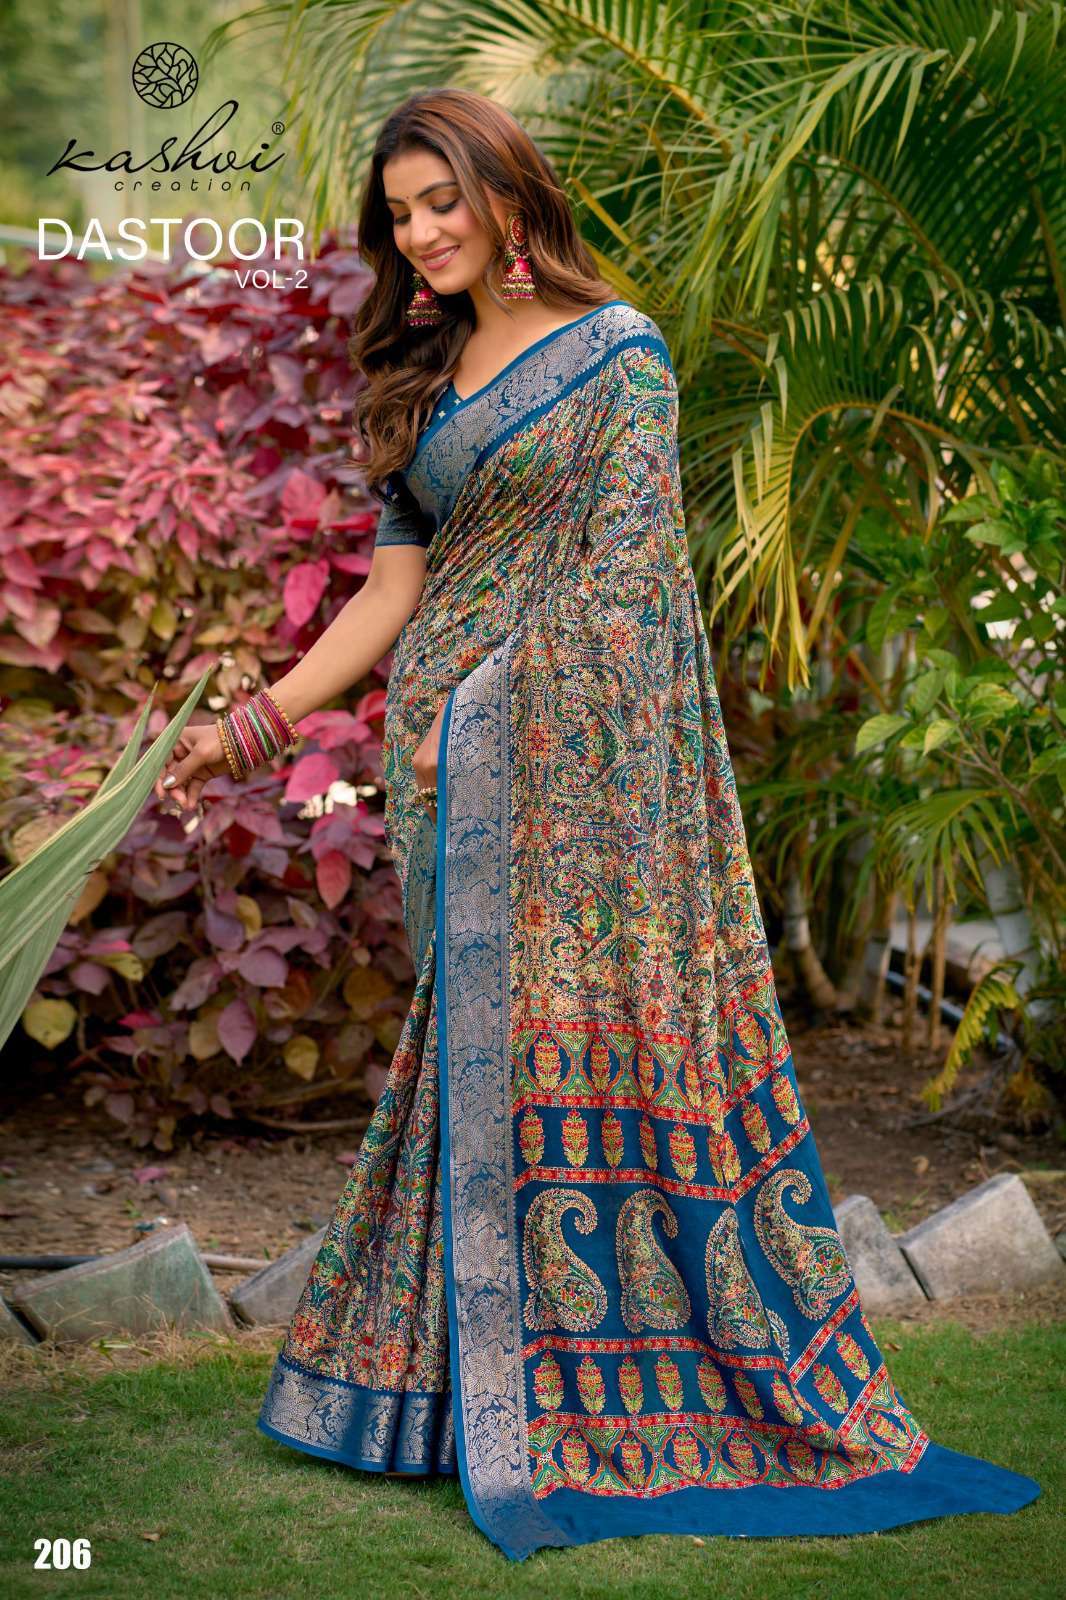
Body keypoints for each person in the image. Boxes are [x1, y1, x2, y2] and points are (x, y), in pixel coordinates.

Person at [154, 88, 1040, 1562]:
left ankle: (594, 1391)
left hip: (564, 769)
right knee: (479, 1068)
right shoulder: (421, 378)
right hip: (447, 778)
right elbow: (391, 595)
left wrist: (485, 707)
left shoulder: (619, 356)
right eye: (399, 214)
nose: (419, 233)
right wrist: (247, 729)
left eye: (443, 201)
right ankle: (463, 1401)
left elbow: (627, 586)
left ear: (510, 198)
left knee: (574, 1055)